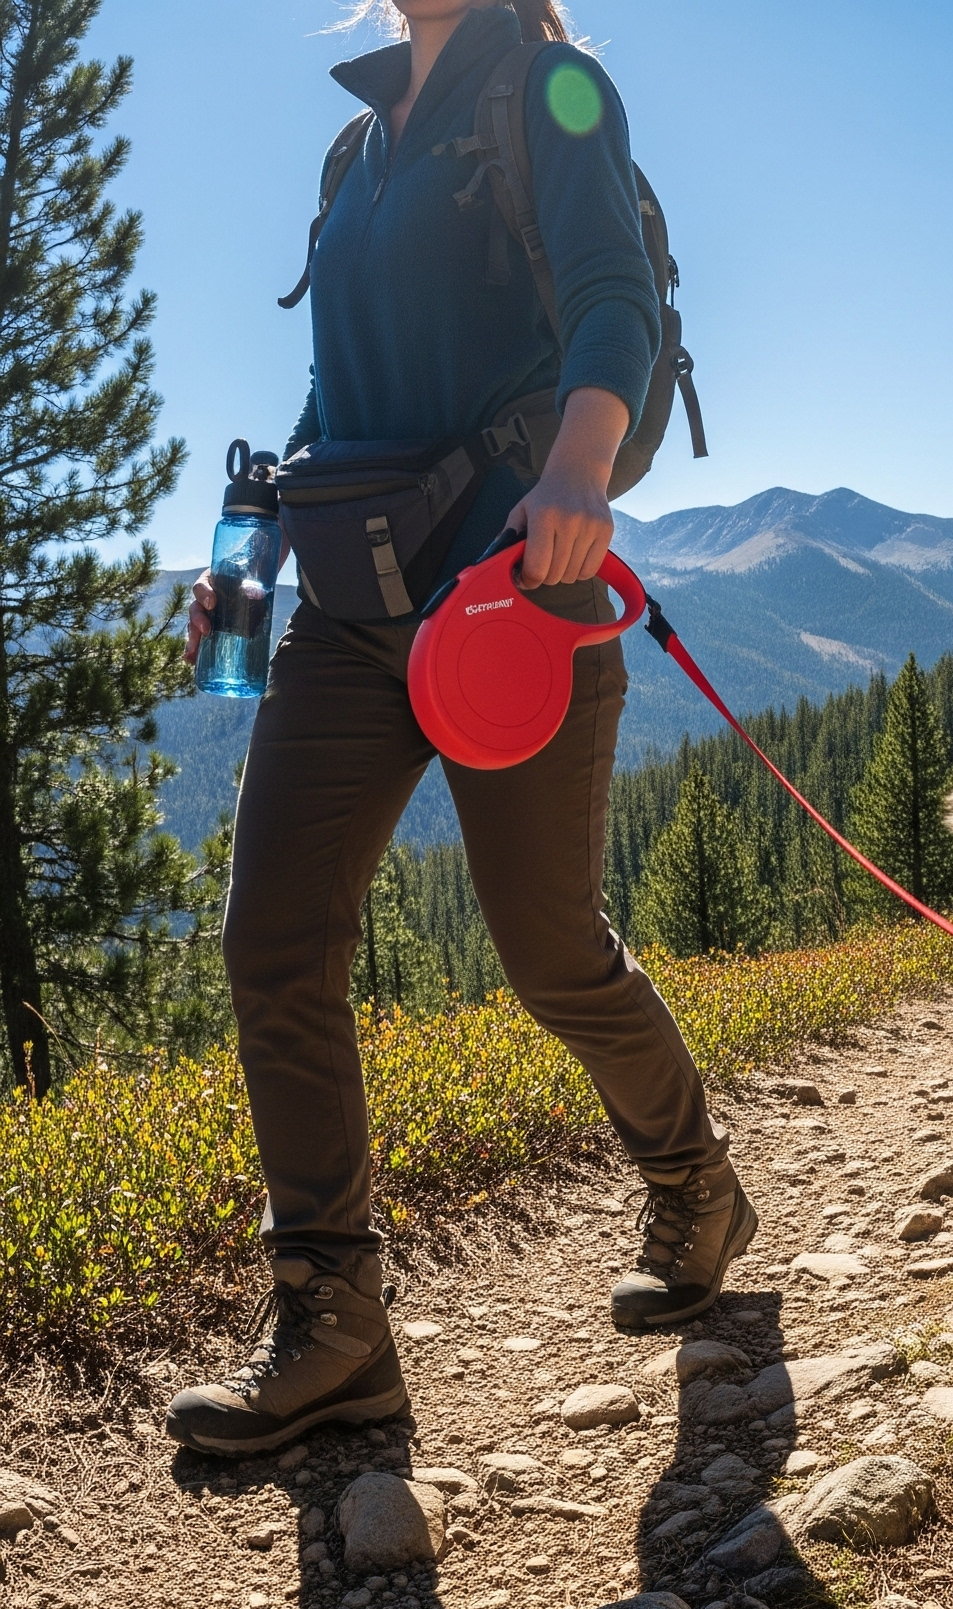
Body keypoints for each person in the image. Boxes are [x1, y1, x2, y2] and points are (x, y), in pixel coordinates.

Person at [168, 0, 755, 1457]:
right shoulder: (356, 146)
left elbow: (617, 297)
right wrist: (248, 555)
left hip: (513, 598)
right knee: (273, 937)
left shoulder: (550, 91)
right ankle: (335, 1321)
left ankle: (692, 1181)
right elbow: (332, 389)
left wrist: (577, 467)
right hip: (350, 613)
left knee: (549, 948)